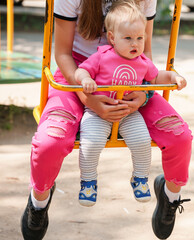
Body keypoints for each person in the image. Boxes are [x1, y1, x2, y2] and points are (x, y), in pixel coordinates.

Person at [20, 0, 192, 239]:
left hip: (131, 76)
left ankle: (170, 195)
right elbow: (61, 53)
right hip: (78, 75)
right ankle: (39, 201)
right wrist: (87, 97)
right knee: (51, 141)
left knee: (179, 135)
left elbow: (145, 52)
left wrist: (144, 92)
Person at [75, 0, 187, 207]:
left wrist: (174, 76)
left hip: (129, 112)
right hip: (98, 111)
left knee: (142, 142)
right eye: (128, 38)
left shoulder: (142, 62)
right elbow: (82, 69)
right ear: (112, 38)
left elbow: (156, 77)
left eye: (139, 38)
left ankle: (140, 178)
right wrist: (86, 80)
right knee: (91, 144)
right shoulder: (102, 56)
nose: (135, 44)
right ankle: (88, 181)